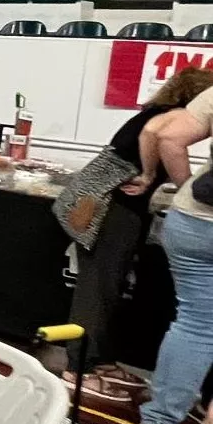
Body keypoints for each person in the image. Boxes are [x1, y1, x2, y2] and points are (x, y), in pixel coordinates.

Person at [65, 67, 213, 401]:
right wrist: (168, 179)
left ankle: (98, 359)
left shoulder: (156, 111)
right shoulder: (172, 116)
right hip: (112, 207)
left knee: (106, 284)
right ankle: (78, 367)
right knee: (98, 288)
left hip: (102, 201)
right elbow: (154, 135)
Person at [137, 82, 213, 424]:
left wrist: (185, 184)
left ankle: (159, 423)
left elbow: (165, 134)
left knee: (195, 324)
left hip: (194, 220)